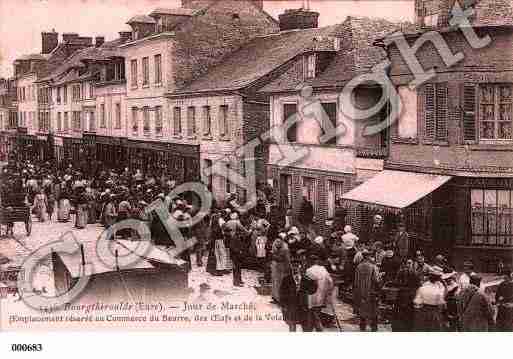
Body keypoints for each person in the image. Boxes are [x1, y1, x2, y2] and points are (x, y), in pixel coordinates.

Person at [304, 255, 334, 332]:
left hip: (312, 298)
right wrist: (328, 293)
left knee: (314, 318)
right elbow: (330, 282)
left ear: (309, 261)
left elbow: (305, 286)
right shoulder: (323, 269)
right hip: (321, 298)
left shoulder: (309, 271)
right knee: (314, 317)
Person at [353, 249, 381, 331]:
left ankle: (362, 326)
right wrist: (380, 276)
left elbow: (356, 281)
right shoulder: (373, 267)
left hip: (361, 292)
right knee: (373, 310)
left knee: (362, 309)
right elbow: (376, 280)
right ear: (368, 257)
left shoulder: (358, 267)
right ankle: (374, 327)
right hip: (371, 292)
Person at [413, 267, 446, 331]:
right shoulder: (439, 287)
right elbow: (441, 301)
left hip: (424, 310)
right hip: (434, 311)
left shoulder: (424, 285)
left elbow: (417, 301)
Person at [392, 259, 420, 331]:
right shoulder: (414, 272)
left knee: (402, 311)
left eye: (409, 263)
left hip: (403, 294)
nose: (409, 265)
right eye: (408, 263)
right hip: (410, 294)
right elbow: (418, 284)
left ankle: (402, 326)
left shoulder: (402, 272)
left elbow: (396, 282)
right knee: (408, 311)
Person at [223, 212, 249, 287]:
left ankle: (238, 279)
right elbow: (245, 231)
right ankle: (237, 281)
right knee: (237, 266)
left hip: (229, 244)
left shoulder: (227, 222)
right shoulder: (237, 223)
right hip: (235, 249)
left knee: (236, 265)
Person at [271, 232, 292, 304]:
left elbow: (286, 259)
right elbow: (286, 259)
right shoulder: (281, 245)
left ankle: (277, 298)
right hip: (278, 265)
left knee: (277, 282)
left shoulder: (282, 247)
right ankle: (277, 298)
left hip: (278, 265)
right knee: (277, 282)